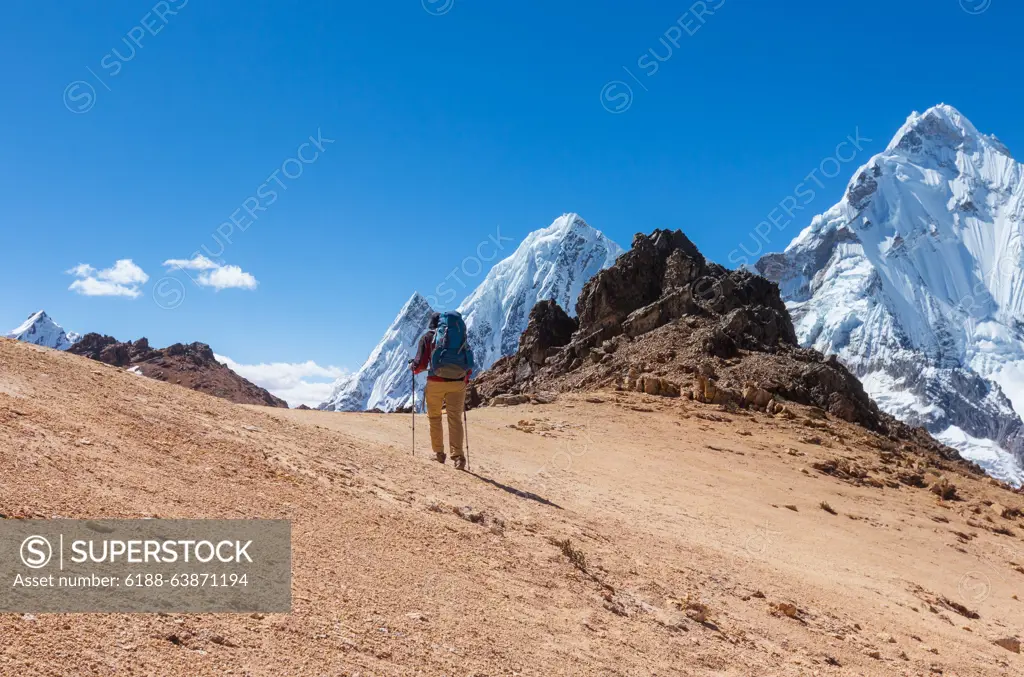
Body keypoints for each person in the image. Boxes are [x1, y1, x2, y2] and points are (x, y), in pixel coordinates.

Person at [409, 311, 474, 469]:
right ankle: (458, 457)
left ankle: (439, 453)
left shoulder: (428, 338)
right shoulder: (458, 337)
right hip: (458, 383)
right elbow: (468, 361)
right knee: (455, 419)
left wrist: (413, 366)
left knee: (435, 417)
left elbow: (420, 366)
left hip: (436, 382)